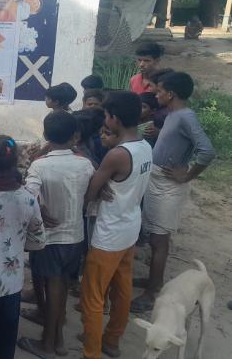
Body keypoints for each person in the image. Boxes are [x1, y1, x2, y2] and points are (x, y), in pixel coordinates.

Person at [131, 72, 215, 313]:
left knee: (159, 240)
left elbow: (207, 151)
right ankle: (153, 280)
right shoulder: (173, 114)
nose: (156, 94)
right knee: (154, 236)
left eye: (159, 91)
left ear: (171, 94)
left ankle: (152, 293)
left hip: (168, 186)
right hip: (157, 179)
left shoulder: (186, 116)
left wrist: (187, 175)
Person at [81, 91, 153, 359]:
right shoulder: (144, 146)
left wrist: (94, 191)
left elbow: (90, 193)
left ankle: (91, 352)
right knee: (122, 289)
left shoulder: (117, 155)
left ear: (115, 119)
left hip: (109, 234)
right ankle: (112, 340)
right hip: (130, 226)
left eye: (107, 116)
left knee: (93, 295)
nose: (105, 120)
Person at [18, 112, 95, 358]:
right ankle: (58, 340)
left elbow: (29, 196)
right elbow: (95, 190)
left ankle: (48, 345)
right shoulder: (85, 164)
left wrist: (39, 208)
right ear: (74, 136)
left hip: (50, 239)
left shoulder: (40, 165)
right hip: (76, 237)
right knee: (61, 287)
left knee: (52, 290)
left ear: (45, 135)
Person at [0, 135, 45, 359]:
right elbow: (37, 242)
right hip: (11, 284)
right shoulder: (28, 199)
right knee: (5, 341)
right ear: (15, 161)